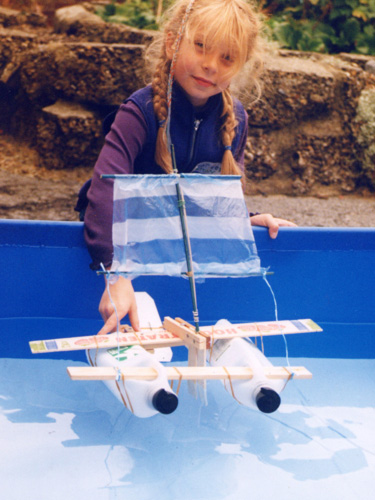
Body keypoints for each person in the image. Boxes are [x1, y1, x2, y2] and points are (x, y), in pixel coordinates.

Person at [81, 0, 296, 335]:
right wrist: (114, 272)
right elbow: (104, 191)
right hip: (117, 242)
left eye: (226, 57)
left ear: (240, 65)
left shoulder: (235, 119)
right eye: (201, 47)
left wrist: (244, 219)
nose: (210, 65)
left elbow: (212, 197)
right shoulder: (138, 112)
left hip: (169, 241)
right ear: (172, 43)